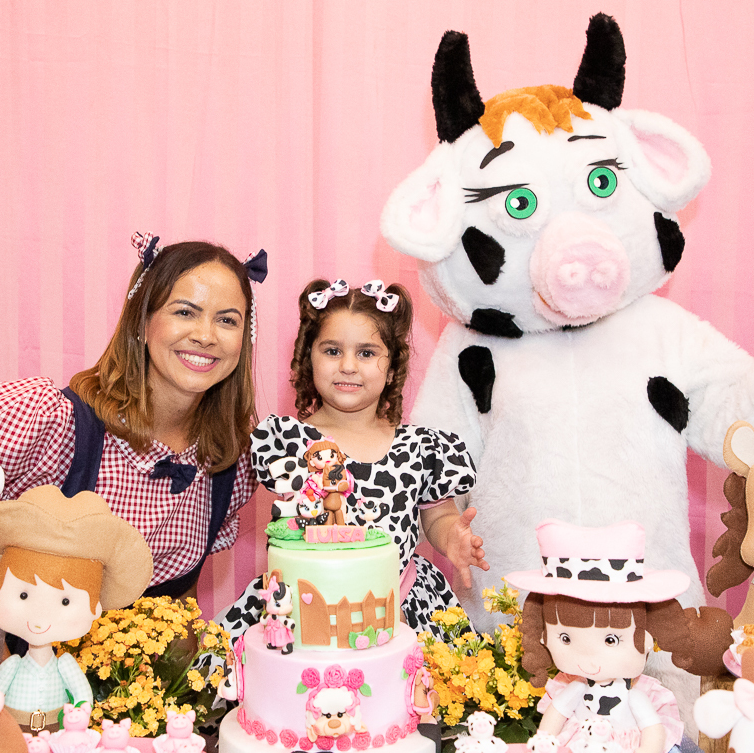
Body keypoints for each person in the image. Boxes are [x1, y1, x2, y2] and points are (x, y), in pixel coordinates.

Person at [0, 234, 264, 599]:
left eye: (227, 320)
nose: (206, 336)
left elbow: (180, 598)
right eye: (184, 312)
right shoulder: (58, 428)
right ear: (142, 321)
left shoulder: (231, 459)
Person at [221, 278, 487, 638]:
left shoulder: (420, 447)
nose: (348, 365)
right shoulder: (288, 441)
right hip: (303, 605)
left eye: (366, 353)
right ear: (308, 359)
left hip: (402, 601)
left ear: (391, 368)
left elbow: (438, 515)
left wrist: (451, 536)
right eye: (332, 351)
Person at [0, 485, 153, 731]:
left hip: (57, 730)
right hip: (14, 731)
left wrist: (80, 714)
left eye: (65, 601)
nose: (40, 617)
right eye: (23, 595)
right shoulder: (11, 666)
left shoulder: (65, 665)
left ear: (95, 610)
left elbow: (82, 695)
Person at [507, 519, 696, 753]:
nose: (589, 660)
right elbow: (550, 726)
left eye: (610, 640)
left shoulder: (635, 696)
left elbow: (653, 731)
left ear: (646, 639)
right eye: (565, 639)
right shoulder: (574, 688)